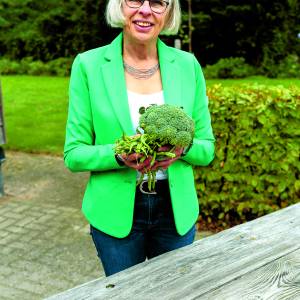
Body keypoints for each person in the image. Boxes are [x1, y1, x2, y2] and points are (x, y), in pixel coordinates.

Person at [64, 0, 215, 277]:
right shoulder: (88, 65)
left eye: (158, 2)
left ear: (168, 12)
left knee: (174, 294)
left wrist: (182, 148)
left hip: (175, 213)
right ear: (119, 6)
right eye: (135, 0)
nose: (145, 10)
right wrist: (120, 155)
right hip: (115, 213)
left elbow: (206, 150)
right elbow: (74, 154)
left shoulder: (187, 65)